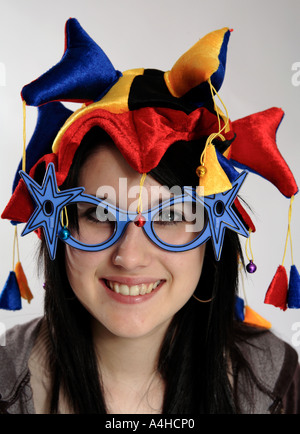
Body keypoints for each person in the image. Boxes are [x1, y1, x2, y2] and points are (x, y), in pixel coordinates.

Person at [0, 19, 299, 415]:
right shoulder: (6, 379)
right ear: (59, 224)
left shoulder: (278, 380)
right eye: (100, 213)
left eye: (172, 215)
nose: (131, 256)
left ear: (213, 235)